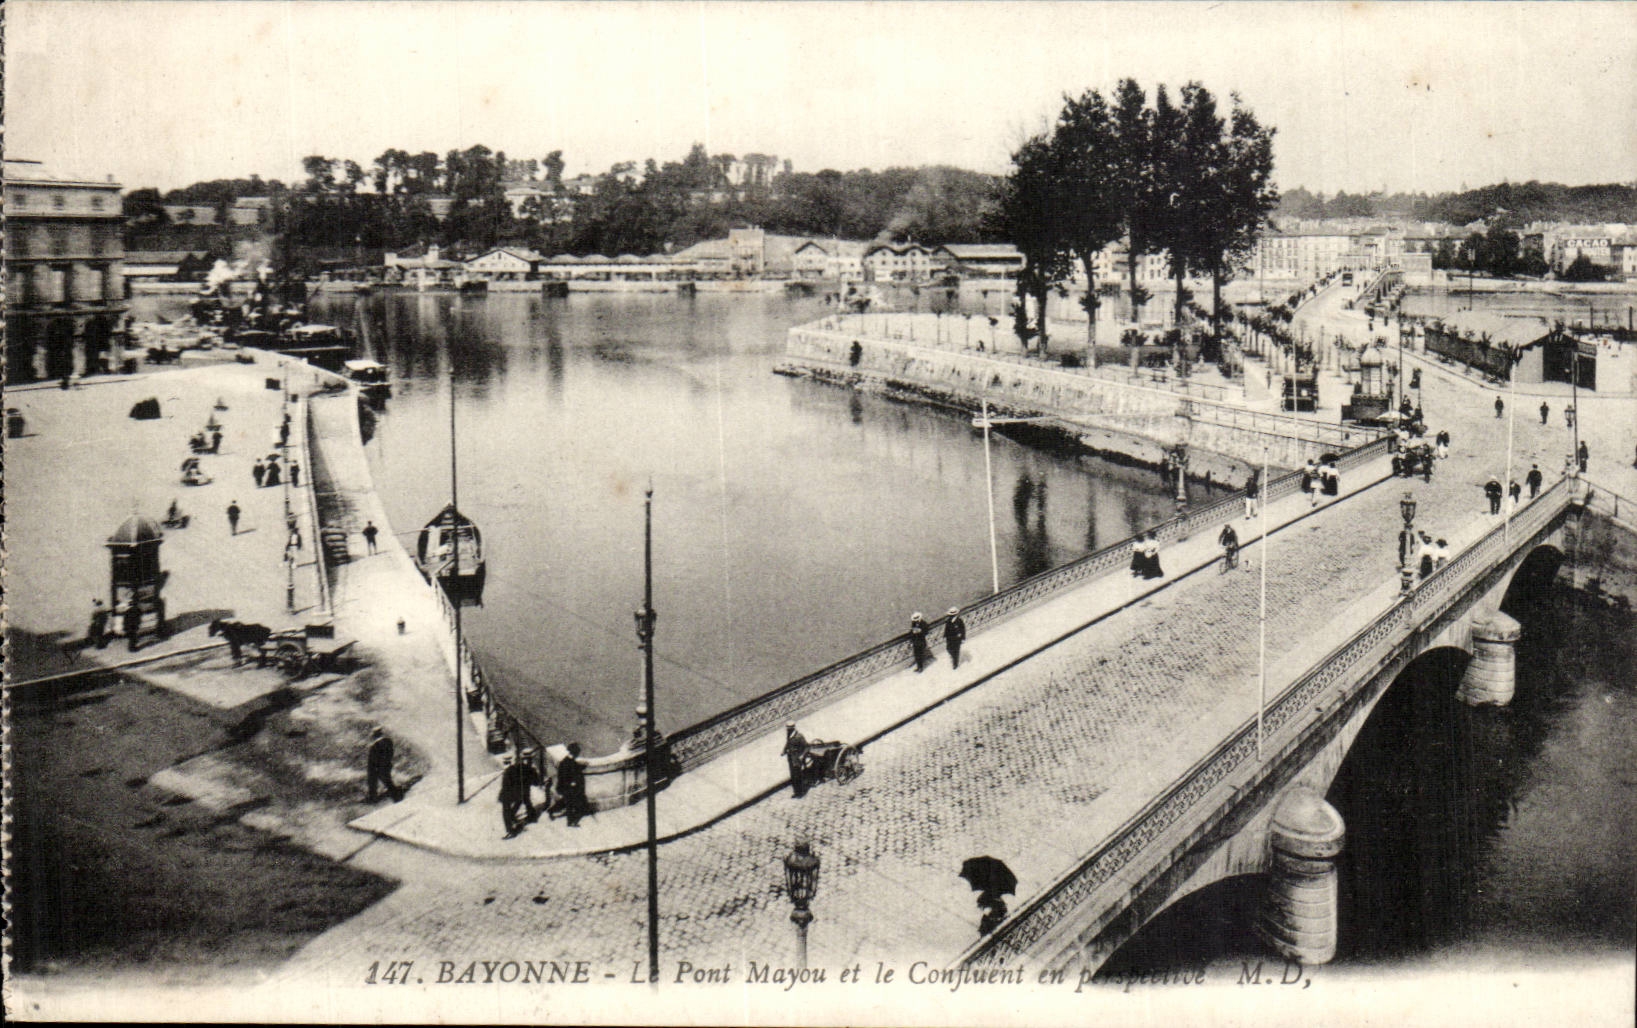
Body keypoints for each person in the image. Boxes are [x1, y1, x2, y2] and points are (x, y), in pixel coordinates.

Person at [499, 755, 537, 836]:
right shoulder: (514, 769)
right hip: (511, 792)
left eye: (507, 762)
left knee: (507, 809)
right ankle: (511, 825)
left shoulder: (511, 769)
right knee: (519, 802)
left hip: (509, 792)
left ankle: (510, 828)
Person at [365, 727, 402, 802]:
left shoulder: (379, 744)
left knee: (380, 780)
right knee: (384, 780)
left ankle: (396, 796)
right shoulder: (386, 742)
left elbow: (381, 756)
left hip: (379, 766)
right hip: (382, 765)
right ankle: (394, 794)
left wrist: (379, 765)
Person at [556, 743, 589, 826]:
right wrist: (571, 783)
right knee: (570, 804)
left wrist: (583, 766)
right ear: (574, 752)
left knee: (570, 803)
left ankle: (570, 821)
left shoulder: (569, 761)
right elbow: (564, 776)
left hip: (570, 787)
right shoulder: (566, 762)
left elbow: (575, 768)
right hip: (568, 787)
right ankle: (570, 822)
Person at [782, 722, 810, 799]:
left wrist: (801, 756)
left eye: (789, 728)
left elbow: (807, 747)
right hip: (790, 758)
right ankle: (796, 792)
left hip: (797, 759)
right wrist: (784, 751)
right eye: (787, 728)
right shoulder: (789, 735)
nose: (787, 730)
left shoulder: (799, 736)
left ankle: (801, 792)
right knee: (793, 776)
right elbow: (787, 744)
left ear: (793, 728)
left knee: (797, 775)